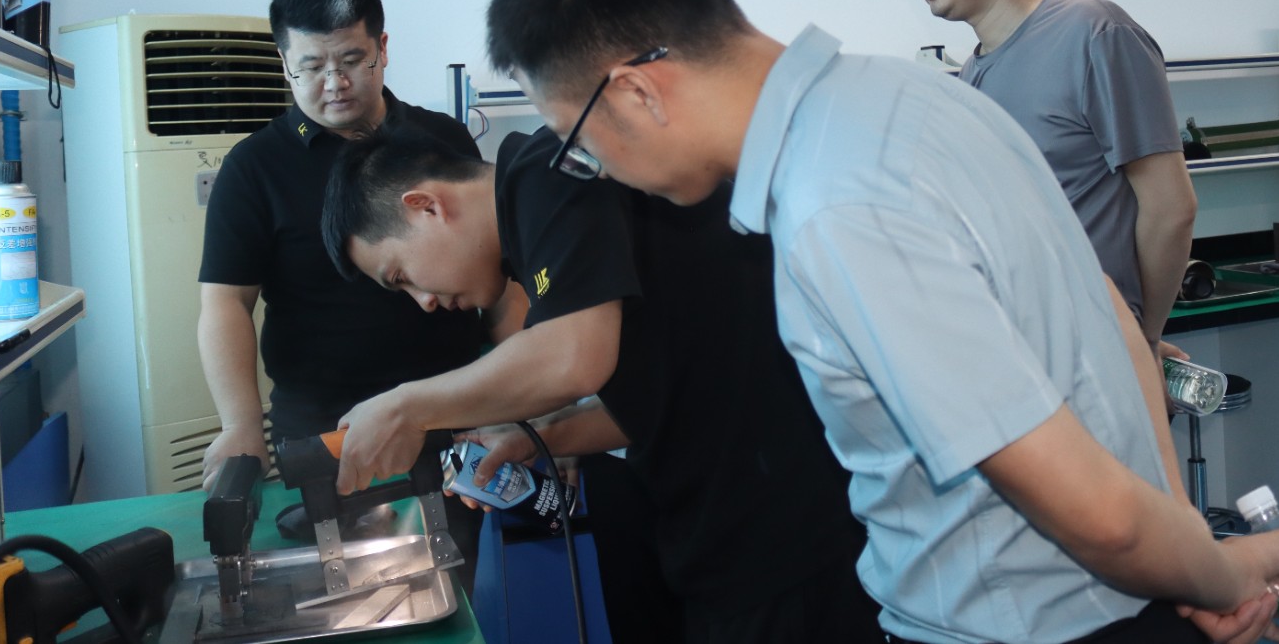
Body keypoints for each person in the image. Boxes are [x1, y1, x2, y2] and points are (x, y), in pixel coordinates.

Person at [485, 0, 1279, 644]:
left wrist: (1220, 575)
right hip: (1130, 593)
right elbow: (1106, 312)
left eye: (579, 145)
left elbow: (1102, 521)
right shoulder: (918, 96)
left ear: (635, 94)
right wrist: (1185, 547)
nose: (597, 170)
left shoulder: (836, 206)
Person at [320, 124, 882, 644]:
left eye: (401, 276)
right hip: (722, 531)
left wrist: (408, 408)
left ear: (425, 206)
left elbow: (574, 358)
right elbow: (656, 391)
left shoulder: (546, 171)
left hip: (782, 530)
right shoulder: (538, 231)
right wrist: (540, 436)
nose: (423, 301)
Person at [196, 0, 489, 589]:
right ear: (284, 62)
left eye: (353, 60)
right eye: (311, 66)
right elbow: (225, 304)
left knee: (460, 591)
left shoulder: (441, 139)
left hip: (455, 412)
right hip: (328, 434)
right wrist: (240, 424)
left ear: (382, 47)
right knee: (344, 593)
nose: (334, 83)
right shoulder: (254, 168)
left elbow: (500, 270)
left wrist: (510, 396)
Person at [892, 0, 1196, 347]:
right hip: (1019, 348)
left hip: (1097, 343)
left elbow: (1171, 208)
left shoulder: (1095, 35)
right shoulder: (971, 78)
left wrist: (1145, 340)